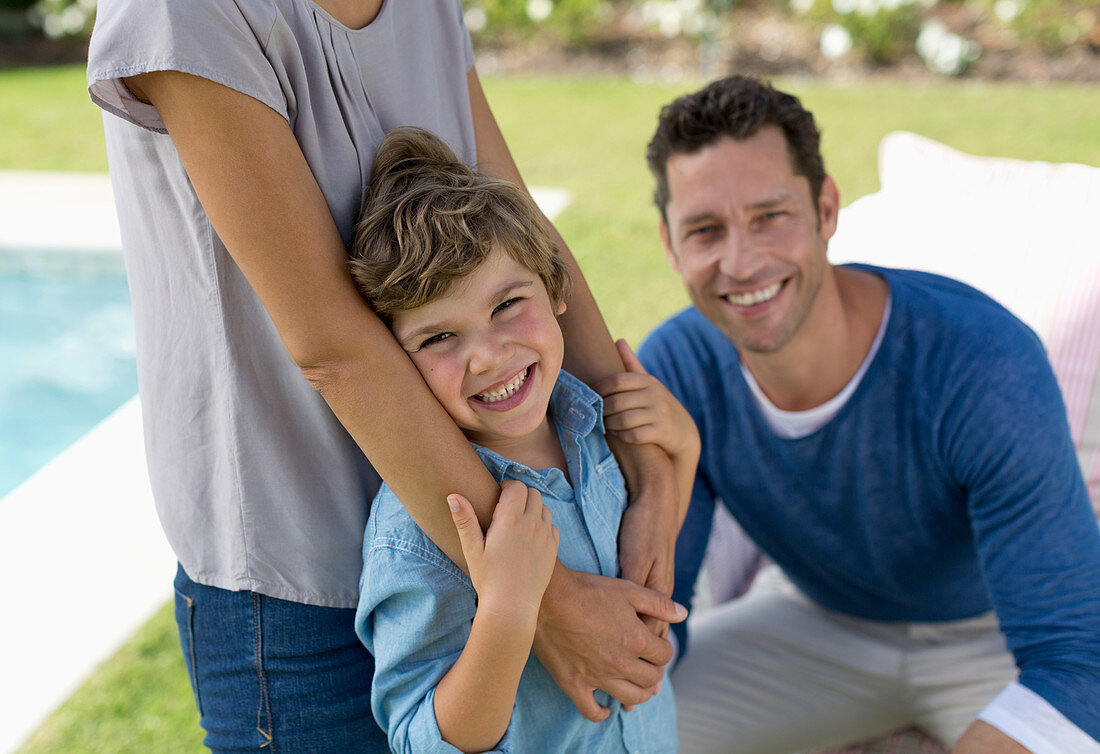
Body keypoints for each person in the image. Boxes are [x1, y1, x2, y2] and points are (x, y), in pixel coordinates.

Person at [85, 1, 683, 750]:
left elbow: (516, 215)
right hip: (304, 582)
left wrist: (643, 461)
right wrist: (539, 598)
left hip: (499, 534)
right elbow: (332, 345)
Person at [630, 75, 1100, 754]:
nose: (739, 261)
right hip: (816, 628)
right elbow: (655, 623)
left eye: (770, 216)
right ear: (672, 246)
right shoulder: (680, 367)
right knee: (601, 734)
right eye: (705, 230)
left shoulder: (979, 360)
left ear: (826, 209)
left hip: (989, 638)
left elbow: (1075, 657)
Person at [349, 127, 692, 753]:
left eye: (506, 304)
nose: (487, 356)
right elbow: (421, 740)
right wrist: (510, 611)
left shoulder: (596, 429)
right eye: (438, 338)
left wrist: (682, 451)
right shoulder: (419, 529)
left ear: (555, 287)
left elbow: (650, 565)